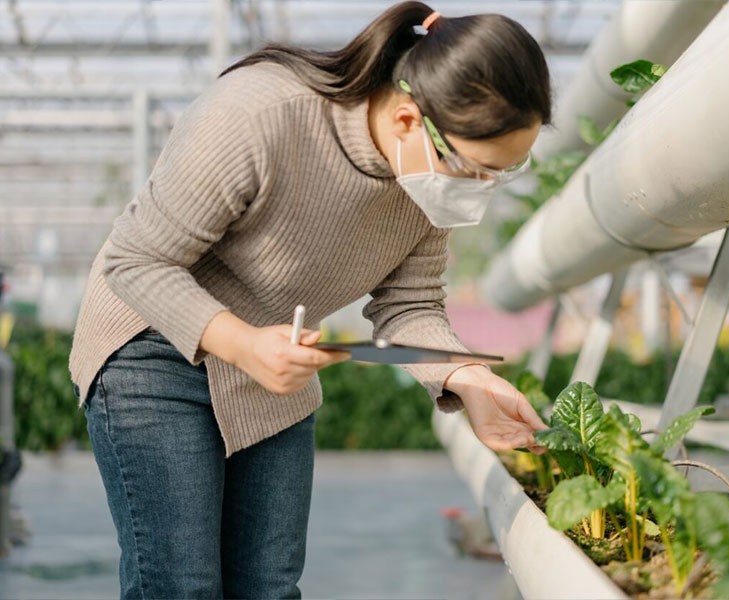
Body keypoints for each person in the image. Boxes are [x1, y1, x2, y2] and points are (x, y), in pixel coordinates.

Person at [69, 2, 552, 598]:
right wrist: (241, 342)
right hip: (152, 350)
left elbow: (410, 305)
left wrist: (469, 378)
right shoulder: (259, 114)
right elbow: (136, 259)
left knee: (268, 586)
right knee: (181, 585)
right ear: (408, 120)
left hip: (271, 365)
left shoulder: (426, 181)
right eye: (477, 170)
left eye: (503, 174)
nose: (480, 192)